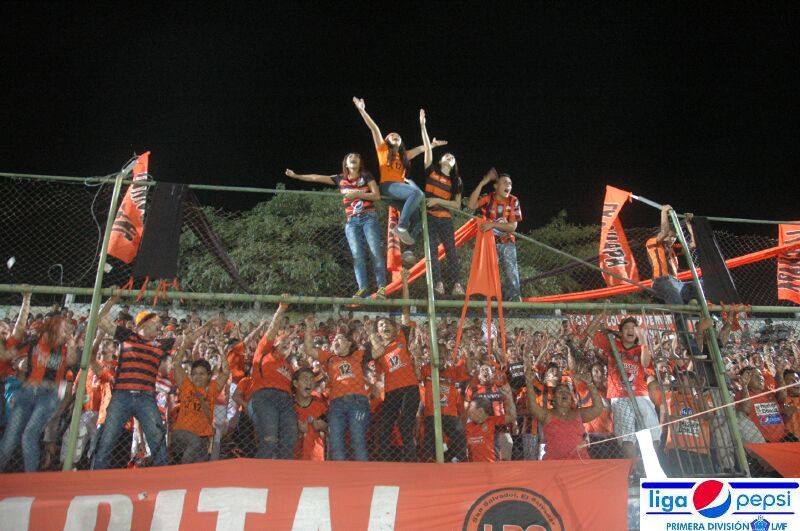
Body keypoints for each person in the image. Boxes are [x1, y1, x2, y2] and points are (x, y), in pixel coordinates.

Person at [92, 297, 208, 469]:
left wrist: (207, 326)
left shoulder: (160, 344)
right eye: (156, 323)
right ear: (144, 324)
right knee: (107, 440)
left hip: (146, 398)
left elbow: (187, 339)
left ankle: (161, 477)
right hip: (122, 396)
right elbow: (100, 320)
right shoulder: (127, 335)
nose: (159, 326)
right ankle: (96, 474)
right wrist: (112, 300)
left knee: (158, 440)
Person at [285, 153, 387, 298]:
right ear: (346, 163)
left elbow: (376, 196)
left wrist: (356, 194)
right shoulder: (340, 178)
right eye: (350, 157)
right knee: (357, 256)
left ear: (360, 163)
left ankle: (382, 287)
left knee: (375, 252)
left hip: (368, 217)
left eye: (356, 157)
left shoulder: (366, 176)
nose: (353, 157)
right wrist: (297, 176)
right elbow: (316, 177)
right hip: (352, 221)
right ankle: (363, 288)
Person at [353, 96, 446, 245]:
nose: (395, 136)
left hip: (398, 192)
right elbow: (374, 128)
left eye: (398, 136)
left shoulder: (405, 155)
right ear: (387, 140)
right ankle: (401, 227)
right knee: (417, 193)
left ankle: (408, 246)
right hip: (387, 186)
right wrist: (362, 110)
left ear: (401, 142)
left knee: (418, 217)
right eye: (392, 135)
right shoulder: (383, 149)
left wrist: (432, 144)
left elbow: (422, 148)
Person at [0, 296, 78, 472]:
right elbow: (9, 356)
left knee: (29, 434)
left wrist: (72, 344)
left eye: (69, 328)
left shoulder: (64, 349)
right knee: (10, 438)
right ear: (54, 327)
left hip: (48, 395)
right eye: (65, 327)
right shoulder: (34, 341)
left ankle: (31, 478)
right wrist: (18, 363)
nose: (68, 330)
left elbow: (72, 361)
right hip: (27, 392)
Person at [368, 269, 422, 461]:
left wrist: (405, 283)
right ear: (378, 332)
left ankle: (410, 460)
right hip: (391, 392)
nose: (385, 326)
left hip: (409, 388)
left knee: (405, 425)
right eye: (381, 326)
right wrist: (371, 337)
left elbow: (405, 311)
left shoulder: (401, 338)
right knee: (385, 427)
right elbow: (369, 359)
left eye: (387, 324)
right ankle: (385, 461)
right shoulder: (377, 350)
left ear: (393, 327)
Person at [591, 316, 662, 459]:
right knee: (626, 437)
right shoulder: (613, 344)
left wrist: (643, 340)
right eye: (626, 328)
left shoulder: (641, 348)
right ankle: (634, 467)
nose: (630, 330)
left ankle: (649, 463)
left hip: (641, 394)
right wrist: (604, 315)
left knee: (653, 433)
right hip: (619, 395)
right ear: (621, 332)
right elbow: (592, 332)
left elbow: (645, 363)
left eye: (633, 328)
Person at [304, 317, 372, 461]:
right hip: (336, 404)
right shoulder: (329, 357)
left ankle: (363, 472)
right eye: (333, 339)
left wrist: (370, 331)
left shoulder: (358, 355)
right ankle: (338, 474)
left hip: (357, 401)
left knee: (357, 439)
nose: (335, 341)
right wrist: (309, 327)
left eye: (339, 338)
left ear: (349, 343)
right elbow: (309, 349)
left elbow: (378, 350)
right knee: (335, 442)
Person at [419, 109, 465, 296]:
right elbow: (427, 149)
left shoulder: (456, 181)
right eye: (447, 155)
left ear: (454, 165)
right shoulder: (431, 172)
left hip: (445, 218)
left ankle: (457, 284)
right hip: (429, 217)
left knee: (451, 251)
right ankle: (438, 283)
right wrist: (423, 126)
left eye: (453, 157)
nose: (450, 157)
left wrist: (438, 200)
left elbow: (456, 205)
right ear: (440, 160)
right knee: (432, 251)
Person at [646, 205, 699, 355]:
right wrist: (664, 212)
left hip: (677, 284)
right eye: (669, 236)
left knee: (699, 286)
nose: (671, 238)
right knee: (679, 307)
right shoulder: (652, 243)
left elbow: (693, 244)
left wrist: (689, 225)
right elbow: (663, 232)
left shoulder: (673, 251)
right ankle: (689, 345)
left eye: (674, 237)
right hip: (661, 281)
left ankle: (708, 317)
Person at [249, 300, 299, 459]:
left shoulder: (289, 367)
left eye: (290, 343)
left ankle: (283, 473)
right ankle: (260, 472)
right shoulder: (264, 352)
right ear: (274, 343)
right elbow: (272, 329)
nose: (288, 344)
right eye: (284, 341)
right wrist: (281, 309)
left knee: (289, 441)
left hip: (286, 401)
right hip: (265, 397)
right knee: (270, 440)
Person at [170, 337, 230, 464]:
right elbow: (176, 364)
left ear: (209, 376)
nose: (197, 377)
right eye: (195, 374)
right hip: (182, 433)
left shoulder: (213, 388)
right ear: (191, 376)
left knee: (200, 460)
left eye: (202, 374)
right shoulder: (186, 385)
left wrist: (221, 350)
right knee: (194, 442)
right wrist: (185, 343)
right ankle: (183, 470)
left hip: (203, 437)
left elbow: (225, 372)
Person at [523, 364, 602, 460]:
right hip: (554, 463)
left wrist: (590, 384)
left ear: (571, 398)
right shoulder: (547, 414)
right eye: (560, 391)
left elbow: (598, 408)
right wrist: (529, 383)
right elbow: (532, 407)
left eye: (567, 392)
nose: (564, 393)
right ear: (553, 399)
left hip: (580, 461)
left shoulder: (578, 413)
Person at [467, 168, 523, 301]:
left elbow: (512, 227)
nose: (508, 185)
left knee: (511, 271)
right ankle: (487, 299)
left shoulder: (513, 200)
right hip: (489, 242)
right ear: (496, 186)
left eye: (510, 184)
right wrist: (483, 182)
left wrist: (493, 224)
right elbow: (471, 205)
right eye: (505, 183)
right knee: (489, 271)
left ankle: (515, 298)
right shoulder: (489, 198)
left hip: (507, 241)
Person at [465, 392, 516, 462]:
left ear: (480, 411)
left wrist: (509, 398)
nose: (468, 411)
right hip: (473, 466)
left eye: (470, 408)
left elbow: (512, 416)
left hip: (492, 465)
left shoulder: (494, 422)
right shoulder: (468, 427)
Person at [292, 367, 328, 461]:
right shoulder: (289, 407)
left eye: (312, 379)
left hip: (317, 459)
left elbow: (330, 430)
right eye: (305, 379)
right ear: (295, 383)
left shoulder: (321, 407)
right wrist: (297, 429)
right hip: (293, 459)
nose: (309, 382)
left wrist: (324, 426)